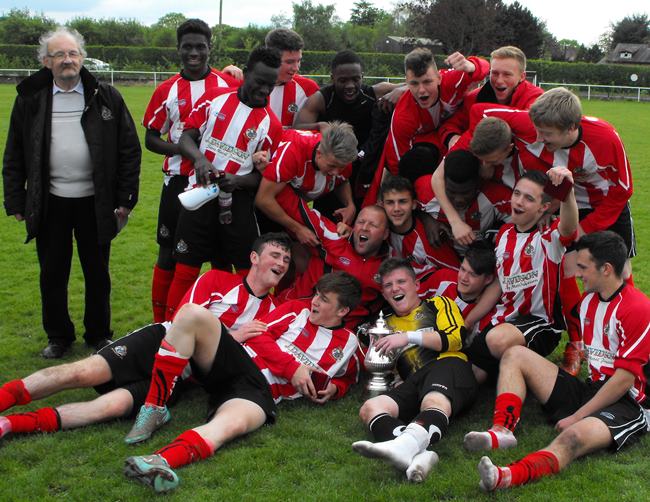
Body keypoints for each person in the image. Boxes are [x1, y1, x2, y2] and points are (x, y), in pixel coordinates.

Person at [0, 233, 292, 443]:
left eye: (286, 260)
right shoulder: (216, 280)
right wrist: (234, 335)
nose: (281, 263)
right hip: (159, 341)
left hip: (181, 378)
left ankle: (9, 424)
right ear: (254, 258)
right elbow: (183, 318)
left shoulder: (274, 313)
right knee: (82, 372)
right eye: (275, 255)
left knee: (110, 408)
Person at [123, 272, 362, 493]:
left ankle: (158, 462)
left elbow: (348, 376)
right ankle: (154, 407)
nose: (315, 302)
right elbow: (258, 336)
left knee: (233, 425)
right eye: (316, 295)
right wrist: (293, 368)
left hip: (259, 391)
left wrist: (337, 387)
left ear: (342, 311)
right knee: (192, 313)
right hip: (238, 361)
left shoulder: (350, 344)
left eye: (324, 299)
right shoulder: (296, 310)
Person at [465, 232, 650, 492]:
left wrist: (577, 415)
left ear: (606, 269)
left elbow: (623, 381)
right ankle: (502, 432)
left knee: (572, 437)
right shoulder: (588, 303)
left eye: (583, 267)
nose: (578, 274)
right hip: (591, 389)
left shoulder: (638, 308)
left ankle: (506, 476)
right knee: (514, 354)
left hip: (627, 404)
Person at [2, 27, 141, 358]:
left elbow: (129, 151)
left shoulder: (107, 95)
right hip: (50, 202)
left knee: (97, 272)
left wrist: (125, 200)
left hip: (96, 202)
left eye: (73, 53)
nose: (67, 60)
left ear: (82, 57)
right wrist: (16, 200)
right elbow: (14, 153)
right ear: (46, 61)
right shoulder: (30, 99)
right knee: (52, 273)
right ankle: (58, 336)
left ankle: (99, 334)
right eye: (59, 55)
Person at [164, 46, 283, 319]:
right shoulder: (215, 98)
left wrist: (238, 180)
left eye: (271, 85)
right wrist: (199, 160)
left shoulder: (270, 125)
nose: (265, 90)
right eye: (260, 82)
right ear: (247, 73)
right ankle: (167, 329)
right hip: (199, 194)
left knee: (245, 271)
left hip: (236, 203)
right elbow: (185, 138)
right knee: (185, 268)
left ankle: (237, 327)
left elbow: (262, 177)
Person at [143, 19, 241, 323]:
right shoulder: (166, 90)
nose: (194, 52)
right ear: (178, 49)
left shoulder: (229, 86)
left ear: (210, 48)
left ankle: (217, 322)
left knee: (221, 257)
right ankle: (161, 323)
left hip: (217, 184)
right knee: (168, 254)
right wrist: (188, 152)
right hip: (176, 183)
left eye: (200, 46)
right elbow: (151, 138)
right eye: (188, 47)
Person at [351, 259, 477, 483]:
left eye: (401, 282)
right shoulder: (384, 325)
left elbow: (456, 338)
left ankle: (405, 447)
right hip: (414, 382)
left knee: (433, 401)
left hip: (449, 366)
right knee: (371, 408)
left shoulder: (438, 304)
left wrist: (408, 337)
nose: (395, 288)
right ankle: (421, 454)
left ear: (417, 285)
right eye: (388, 285)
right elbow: (382, 369)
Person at [464, 168, 579, 382]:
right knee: (472, 375)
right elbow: (499, 285)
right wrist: (468, 321)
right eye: (516, 193)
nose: (518, 201)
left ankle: (545, 375)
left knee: (495, 341)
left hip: (541, 324)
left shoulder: (548, 235)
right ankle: (514, 371)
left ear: (543, 207)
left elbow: (569, 226)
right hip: (505, 320)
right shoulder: (504, 233)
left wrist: (567, 192)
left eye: (528, 198)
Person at [294, 49, 398, 205]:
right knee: (330, 214)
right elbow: (296, 129)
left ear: (362, 77)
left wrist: (400, 90)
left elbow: (417, 85)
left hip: (363, 165)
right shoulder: (322, 99)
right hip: (332, 169)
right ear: (332, 79)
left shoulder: (373, 92)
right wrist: (319, 125)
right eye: (343, 80)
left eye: (355, 79)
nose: (350, 86)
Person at [277, 199, 390, 328]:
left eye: (373, 225)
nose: (364, 228)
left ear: (385, 234)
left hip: (335, 334)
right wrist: (297, 228)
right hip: (290, 312)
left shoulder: (388, 270)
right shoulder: (335, 237)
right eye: (361, 222)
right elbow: (288, 202)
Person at [254, 122, 358, 245]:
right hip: (272, 202)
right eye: (332, 166)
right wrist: (297, 228)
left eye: (341, 167)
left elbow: (342, 180)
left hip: (305, 198)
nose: (336, 172)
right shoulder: (293, 154)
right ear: (319, 153)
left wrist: (350, 204)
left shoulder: (341, 158)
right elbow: (263, 200)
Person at [438, 45, 543, 148]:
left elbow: (537, 127)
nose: (499, 80)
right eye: (495, 73)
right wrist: (452, 138)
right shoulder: (475, 97)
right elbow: (450, 125)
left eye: (507, 74)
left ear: (522, 76)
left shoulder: (537, 98)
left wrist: (482, 111)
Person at [414, 149, 511, 257]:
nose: (458, 199)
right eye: (452, 191)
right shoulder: (425, 190)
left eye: (465, 192)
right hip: (443, 259)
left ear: (478, 183)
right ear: (442, 182)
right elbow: (408, 207)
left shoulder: (496, 196)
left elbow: (522, 224)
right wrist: (426, 219)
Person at [378, 174, 459, 282]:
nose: (396, 208)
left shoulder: (431, 240)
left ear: (414, 204)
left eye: (402, 201)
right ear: (382, 205)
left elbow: (458, 276)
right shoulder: (377, 228)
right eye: (390, 202)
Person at [418, 242, 496, 327]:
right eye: (463, 269)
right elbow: (413, 300)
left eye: (472, 274)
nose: (464, 278)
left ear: (488, 279)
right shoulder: (443, 278)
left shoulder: (484, 314)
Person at [264, 28, 319, 127]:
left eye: (299, 61)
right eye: (289, 62)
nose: (296, 68)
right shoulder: (245, 84)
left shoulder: (308, 89)